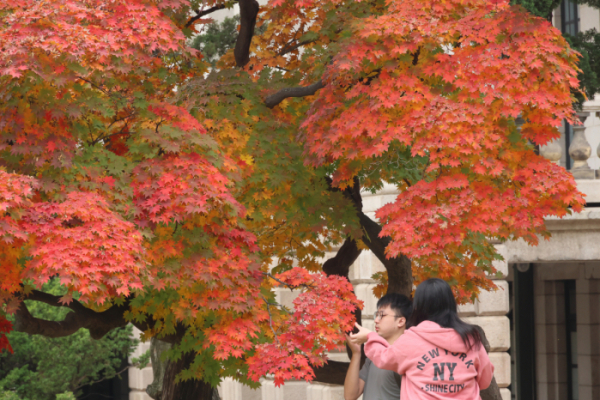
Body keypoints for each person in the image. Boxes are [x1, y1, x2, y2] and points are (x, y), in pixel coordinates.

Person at [349, 278, 494, 400]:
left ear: (419, 306)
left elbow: (384, 358)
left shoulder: (413, 338)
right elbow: (485, 380)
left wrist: (370, 336)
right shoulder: (471, 339)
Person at [344, 293, 413, 400]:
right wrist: (356, 354)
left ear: (400, 321)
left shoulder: (405, 356)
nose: (376, 320)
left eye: (382, 315)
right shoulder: (375, 353)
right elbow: (350, 396)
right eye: (376, 315)